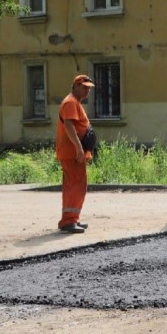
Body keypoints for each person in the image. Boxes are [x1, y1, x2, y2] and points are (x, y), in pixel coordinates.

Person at [55, 74, 95, 234]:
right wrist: (78, 147)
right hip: (72, 153)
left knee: (75, 185)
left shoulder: (74, 102)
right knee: (76, 186)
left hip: (73, 152)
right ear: (76, 86)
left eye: (89, 88)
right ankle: (69, 221)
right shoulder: (70, 102)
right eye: (84, 87)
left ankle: (72, 219)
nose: (87, 91)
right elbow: (69, 126)